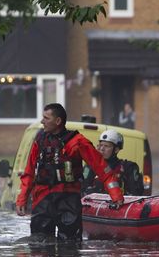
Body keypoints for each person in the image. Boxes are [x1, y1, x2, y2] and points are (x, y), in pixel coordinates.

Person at [15, 103, 124, 242]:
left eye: (46, 118)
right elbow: (29, 172)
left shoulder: (78, 142)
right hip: (43, 199)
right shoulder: (40, 141)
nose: (42, 121)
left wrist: (116, 196)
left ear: (58, 121)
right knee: (38, 245)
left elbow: (103, 170)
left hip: (68, 200)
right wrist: (22, 199)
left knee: (70, 245)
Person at [82, 129, 144, 196]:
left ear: (116, 150)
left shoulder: (128, 167)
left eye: (106, 146)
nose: (101, 149)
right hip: (94, 205)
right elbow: (82, 189)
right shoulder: (91, 166)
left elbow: (136, 194)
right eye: (100, 145)